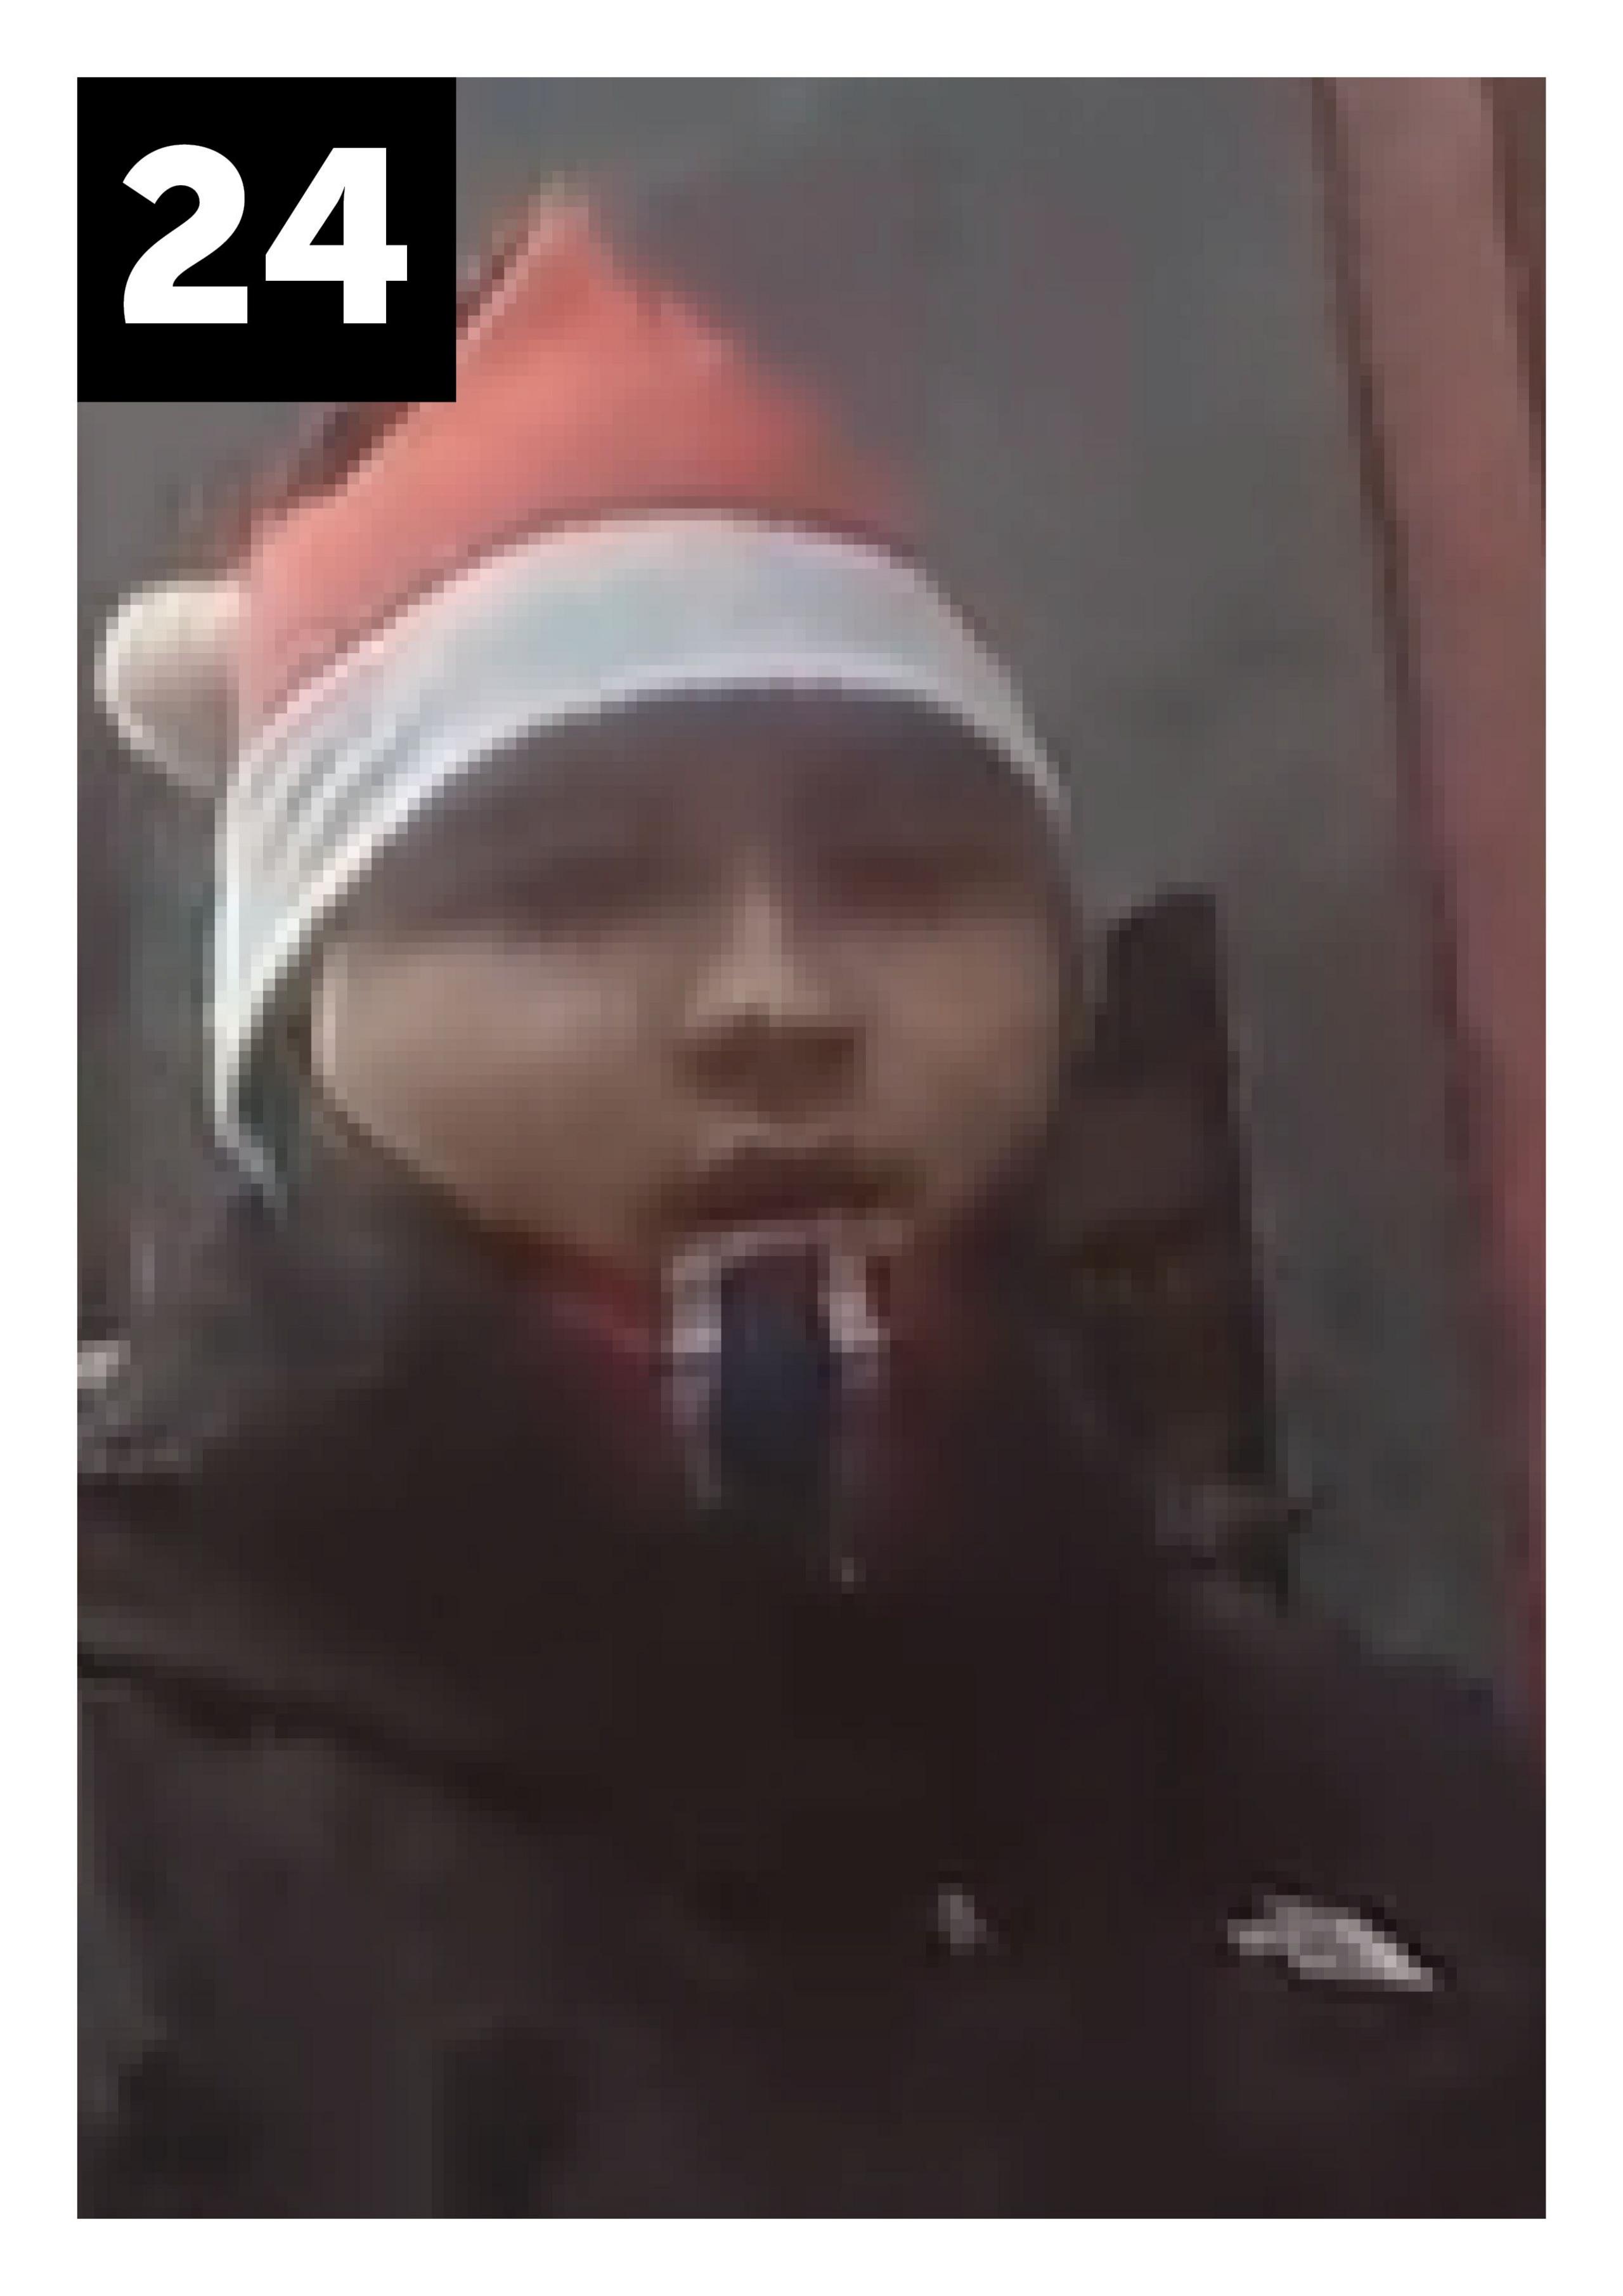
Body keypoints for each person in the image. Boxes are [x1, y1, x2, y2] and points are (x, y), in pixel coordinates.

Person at [81, 202, 1542, 2215]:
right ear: (298, 1037)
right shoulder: (100, 1848)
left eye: (904, 872)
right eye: (568, 886)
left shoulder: (1386, 1797)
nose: (777, 992)